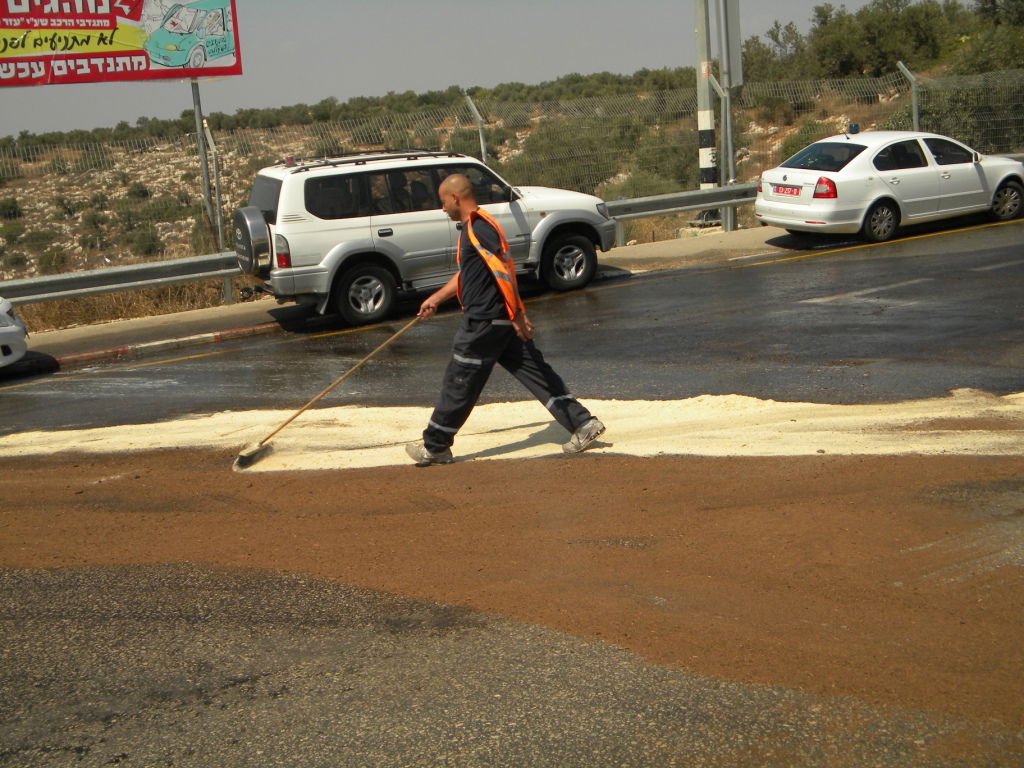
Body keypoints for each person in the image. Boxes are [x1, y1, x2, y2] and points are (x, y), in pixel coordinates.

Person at [405, 173, 605, 465]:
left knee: (459, 381)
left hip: (484, 321)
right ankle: (582, 424)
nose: (443, 208)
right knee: (536, 371)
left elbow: (503, 273)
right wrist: (437, 298)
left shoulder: (478, 227)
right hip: (499, 320)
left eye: (443, 202)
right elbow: (471, 274)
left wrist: (519, 315)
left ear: (455, 198)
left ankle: (435, 445)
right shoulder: (478, 227)